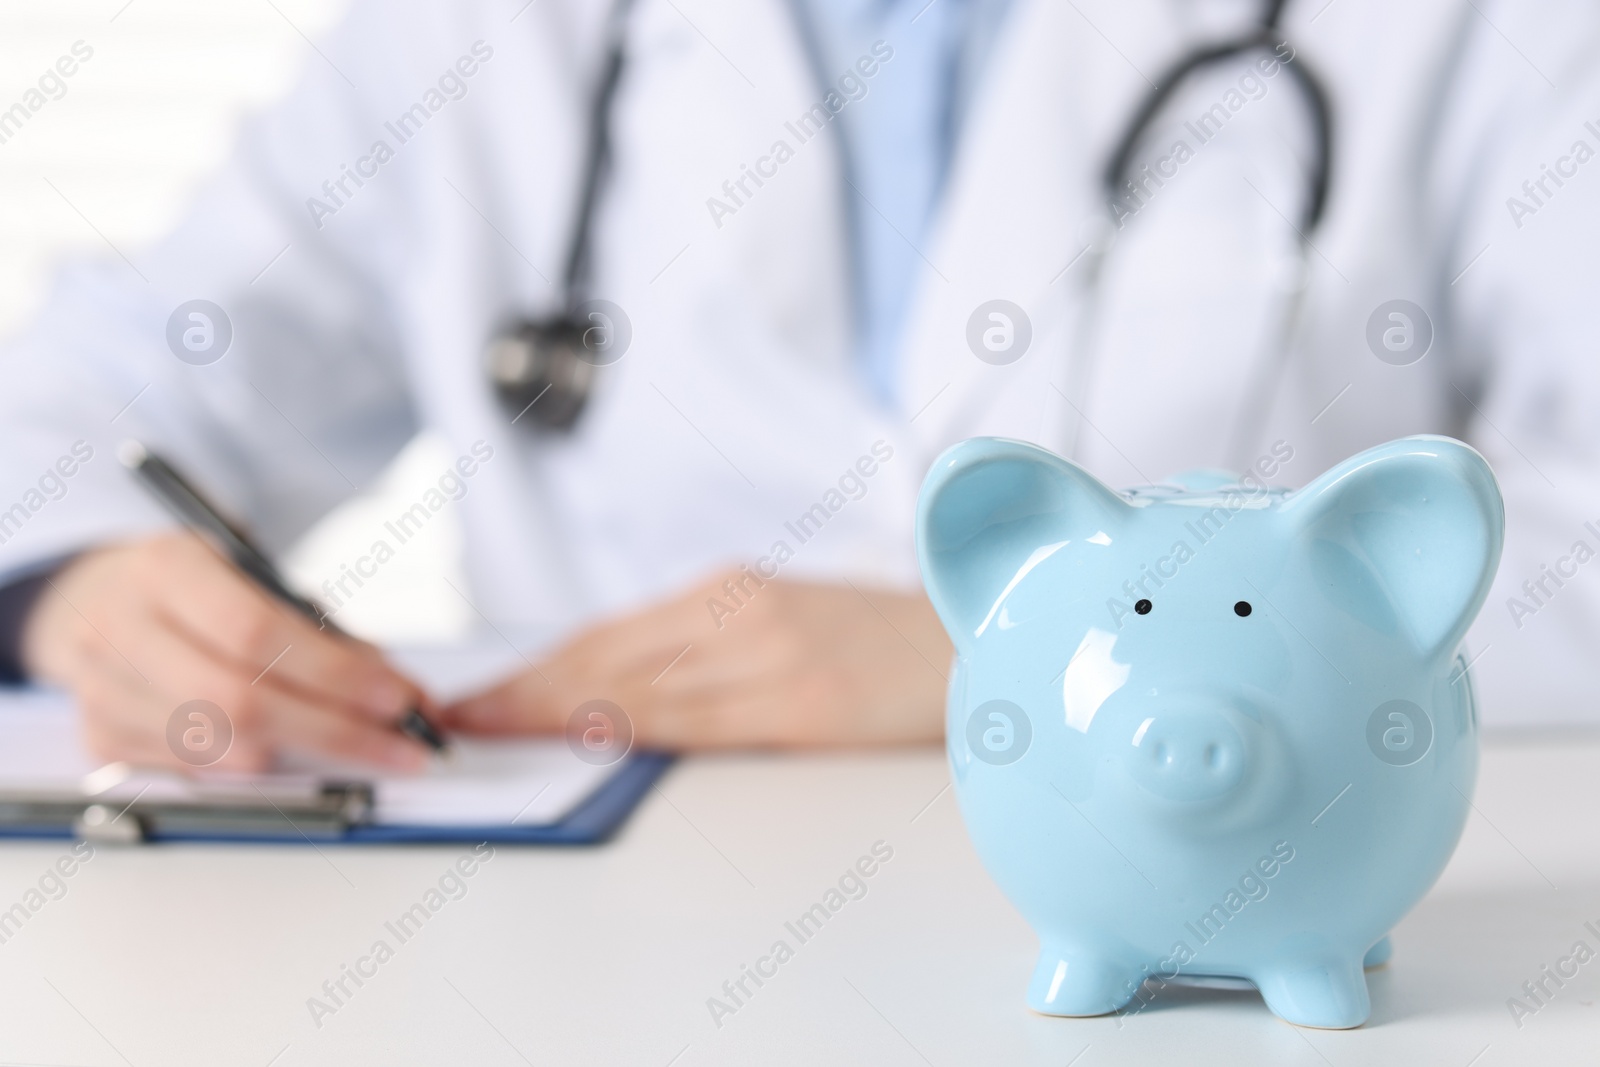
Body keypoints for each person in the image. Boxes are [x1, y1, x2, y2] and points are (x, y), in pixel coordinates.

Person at [0, 0, 1594, 773]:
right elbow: (97, 398)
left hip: (1225, 913)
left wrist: (1027, 650)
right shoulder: (480, 31)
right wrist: (73, 590)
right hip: (593, 946)